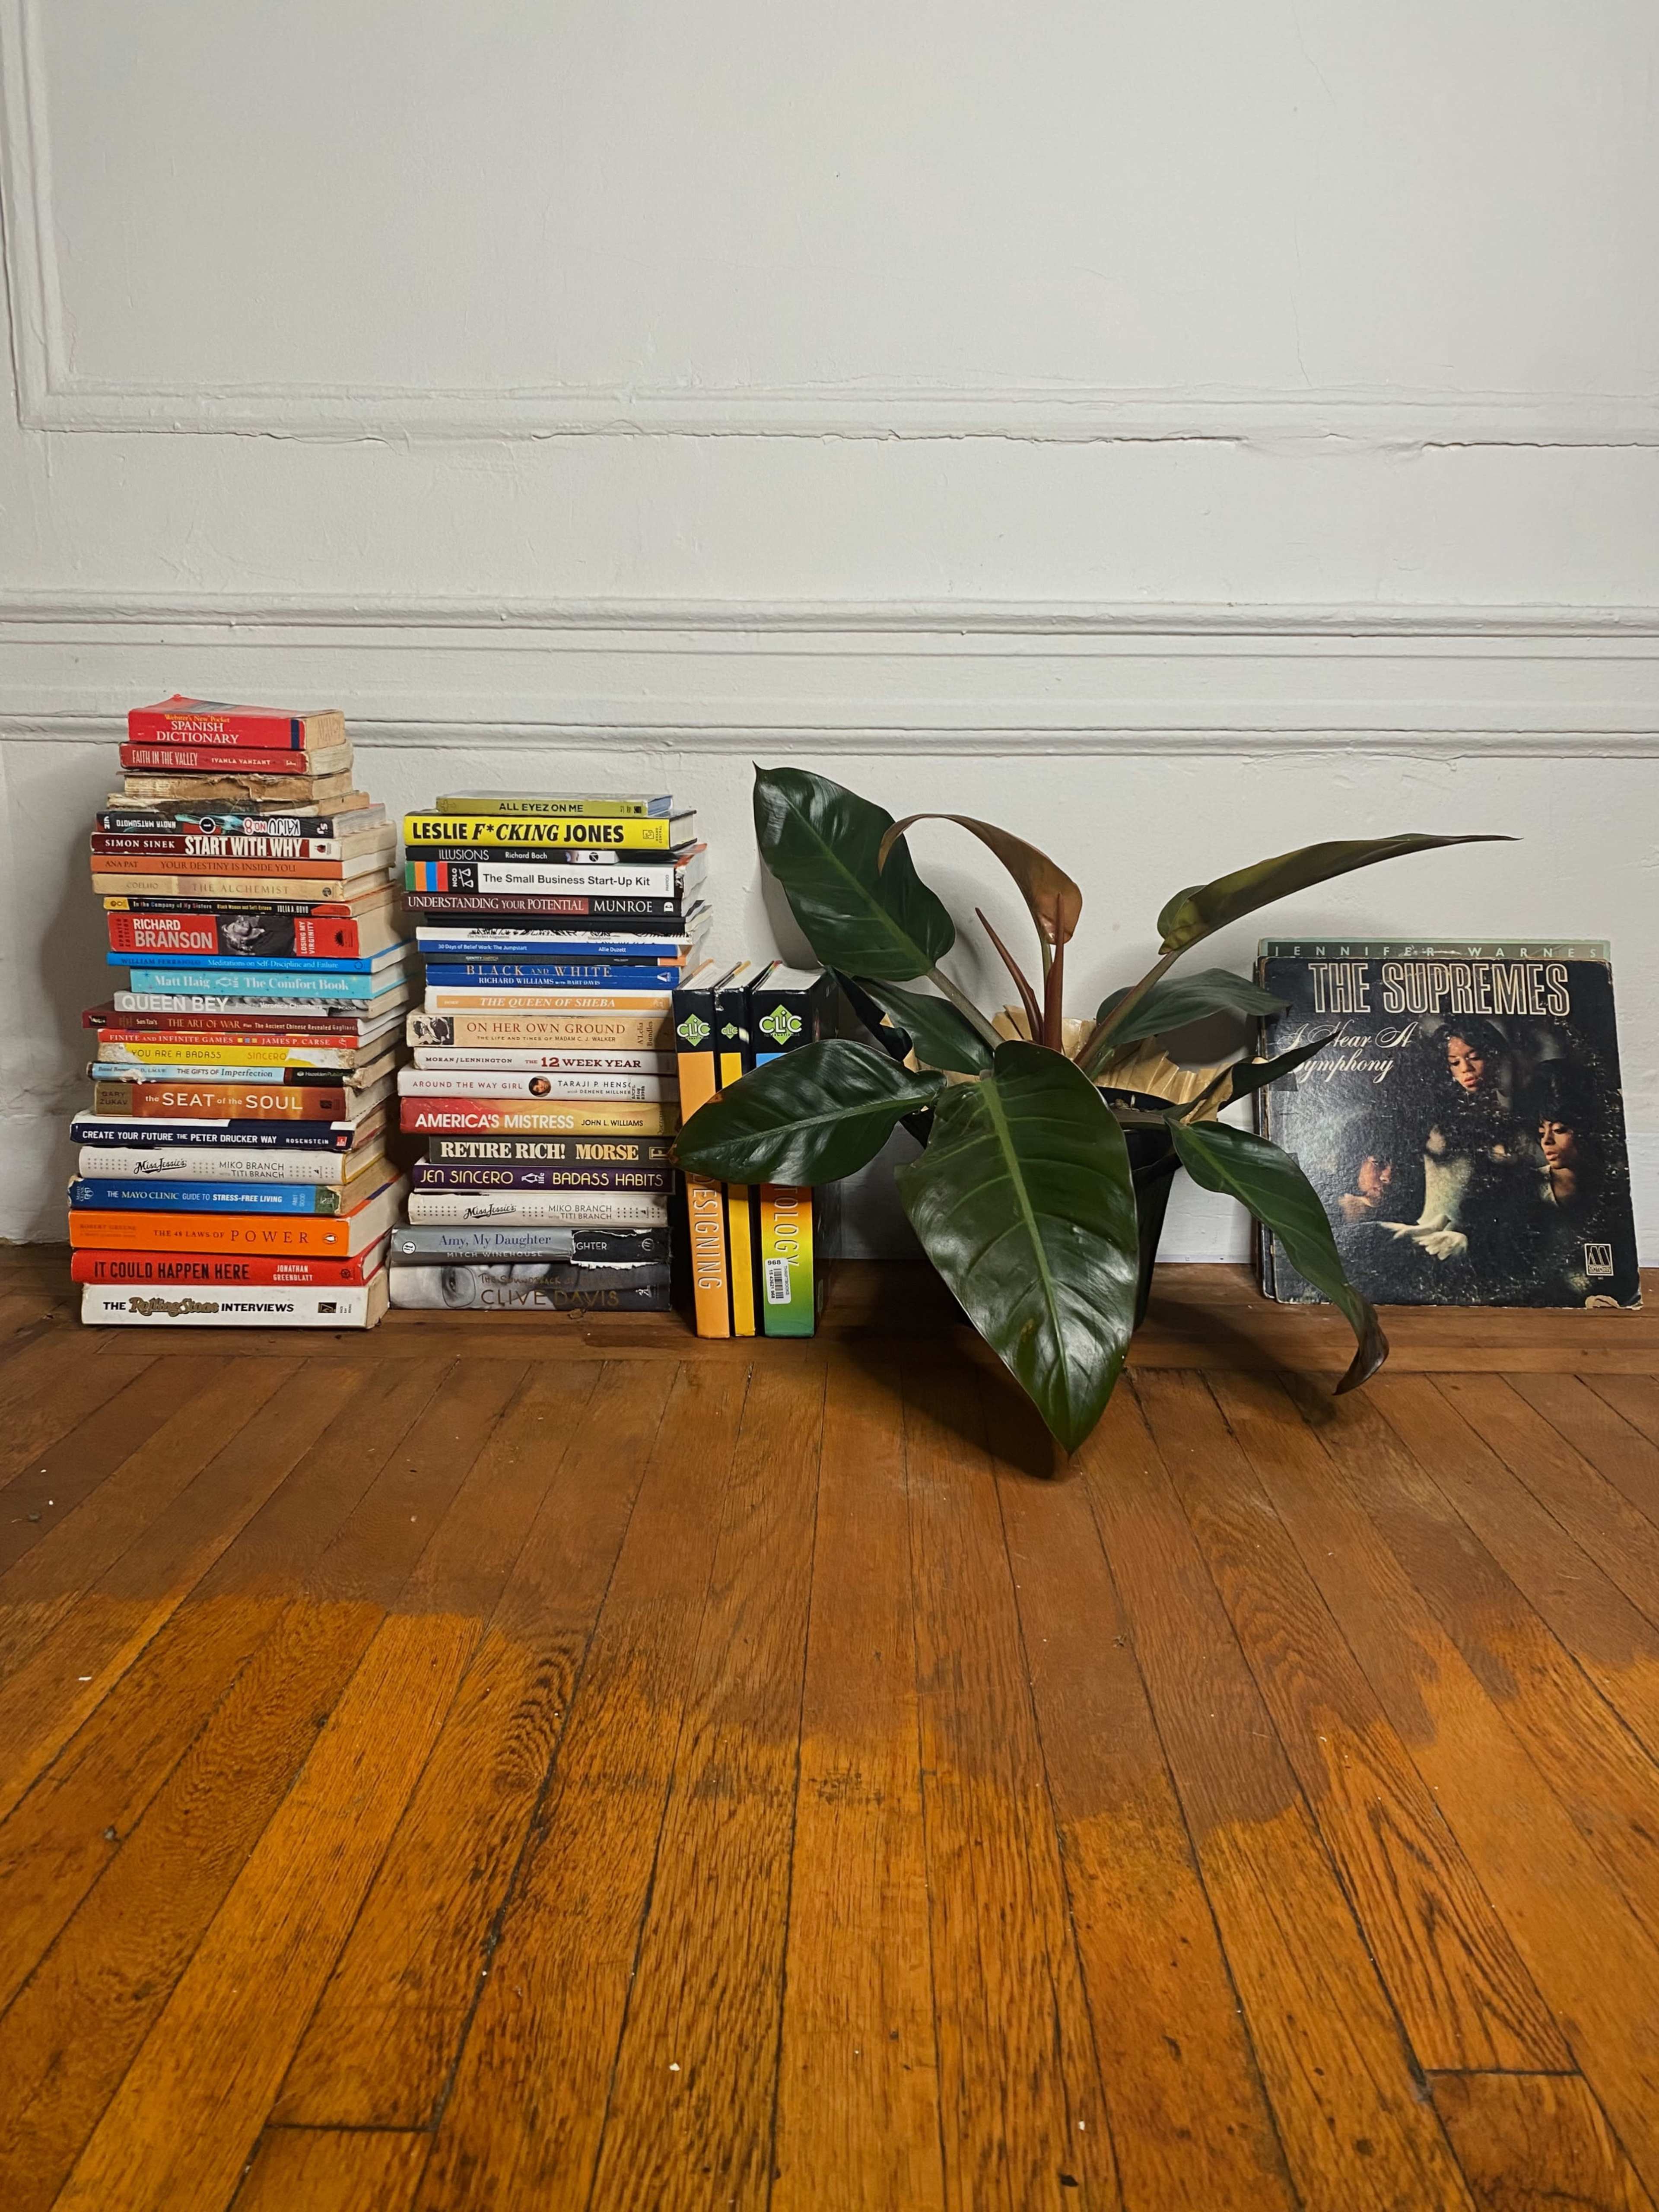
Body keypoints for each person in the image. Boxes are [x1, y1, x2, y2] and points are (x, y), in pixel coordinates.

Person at [1378, 1019, 1541, 1297]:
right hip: (1428, 1235)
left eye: (1474, 1058)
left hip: (1481, 1244)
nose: (1466, 1069)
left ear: (1493, 1058)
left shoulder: (1515, 1124)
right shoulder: (1439, 1121)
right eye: (1455, 1063)